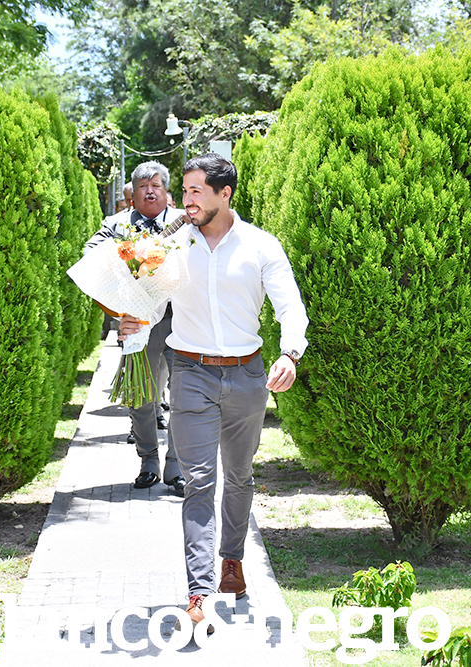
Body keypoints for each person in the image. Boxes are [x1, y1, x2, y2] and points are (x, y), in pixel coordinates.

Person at [118, 153, 308, 629]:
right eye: (184, 191)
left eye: (196, 191)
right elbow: (152, 301)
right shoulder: (172, 245)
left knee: (239, 477)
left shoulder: (260, 245)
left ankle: (232, 559)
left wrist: (290, 353)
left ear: (225, 193)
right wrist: (134, 321)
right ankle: (198, 589)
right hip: (190, 373)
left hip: (246, 375)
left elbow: (290, 305)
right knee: (199, 481)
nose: (187, 200)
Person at [86, 161, 185, 494]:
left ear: (167, 191)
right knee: (140, 396)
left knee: (184, 395)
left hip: (183, 321)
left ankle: (177, 466)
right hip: (138, 324)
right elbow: (90, 260)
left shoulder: (185, 222)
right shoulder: (116, 225)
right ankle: (148, 462)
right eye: (143, 186)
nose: (150, 191)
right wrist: (116, 302)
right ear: (133, 193)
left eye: (156, 185)